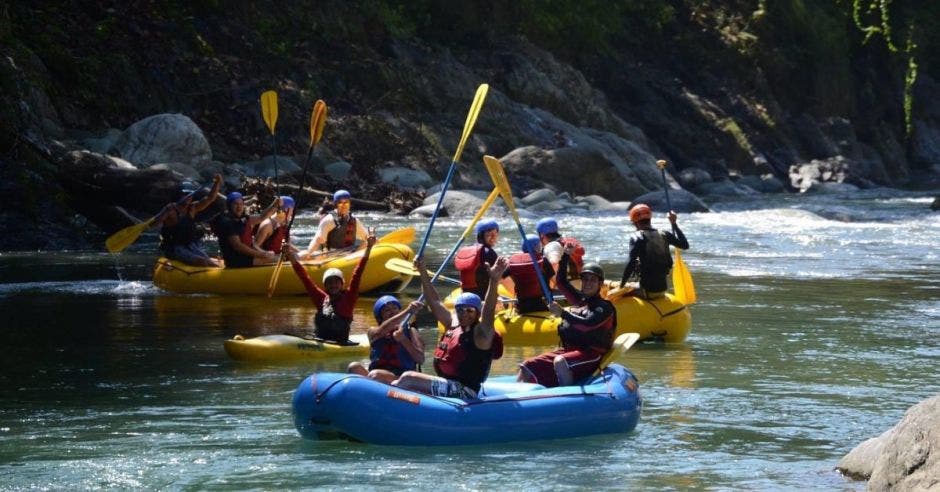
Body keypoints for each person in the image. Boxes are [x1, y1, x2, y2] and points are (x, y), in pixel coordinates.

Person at [392, 256, 506, 400]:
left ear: (477, 313)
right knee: (398, 382)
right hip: (448, 385)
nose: (464, 314)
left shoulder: (482, 333)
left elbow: (488, 311)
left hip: (465, 391)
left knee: (407, 379)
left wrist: (494, 280)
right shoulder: (452, 324)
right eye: (460, 310)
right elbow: (434, 301)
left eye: (469, 310)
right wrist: (422, 271)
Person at [518, 243, 615, 387]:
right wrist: (566, 256)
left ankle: (567, 397)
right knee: (527, 365)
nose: (588, 283)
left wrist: (562, 313)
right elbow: (561, 281)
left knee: (560, 362)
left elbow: (587, 325)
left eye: (593, 280)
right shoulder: (580, 300)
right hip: (570, 352)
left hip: (591, 355)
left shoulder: (604, 307)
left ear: (600, 284)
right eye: (585, 279)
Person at [287, 231, 376, 342]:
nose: (333, 285)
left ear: (341, 284)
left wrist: (369, 247)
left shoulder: (349, 298)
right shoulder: (321, 299)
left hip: (340, 345)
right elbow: (305, 279)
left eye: (336, 282)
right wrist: (291, 257)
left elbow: (358, 272)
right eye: (330, 282)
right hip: (320, 341)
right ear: (325, 285)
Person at [347, 295, 426, 383]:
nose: (392, 312)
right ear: (380, 317)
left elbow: (420, 359)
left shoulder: (411, 331)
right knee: (354, 367)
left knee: (376, 375)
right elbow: (380, 332)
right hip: (376, 374)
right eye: (387, 310)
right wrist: (407, 311)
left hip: (402, 377)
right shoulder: (373, 331)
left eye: (395, 308)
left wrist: (403, 339)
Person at [619, 203, 689, 299]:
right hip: (663, 289)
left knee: (616, 294)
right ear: (650, 218)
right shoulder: (664, 233)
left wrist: (621, 286)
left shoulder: (637, 237)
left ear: (634, 222)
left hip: (646, 291)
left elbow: (630, 263)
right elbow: (685, 245)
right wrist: (674, 224)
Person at [155, 174, 223, 267]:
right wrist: (164, 212)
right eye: (185, 195)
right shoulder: (171, 210)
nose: (188, 198)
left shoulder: (192, 208)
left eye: (190, 195)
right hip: (174, 248)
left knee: (212, 262)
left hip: (191, 245)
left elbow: (210, 198)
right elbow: (156, 223)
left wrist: (217, 183)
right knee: (203, 262)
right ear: (180, 195)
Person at [214, 192, 280, 268]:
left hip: (246, 257)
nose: (239, 207)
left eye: (241, 204)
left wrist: (275, 205)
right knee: (278, 259)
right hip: (236, 261)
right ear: (229, 206)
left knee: (279, 257)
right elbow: (238, 246)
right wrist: (262, 254)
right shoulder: (227, 223)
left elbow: (261, 217)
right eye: (235, 204)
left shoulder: (243, 219)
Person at [302, 189, 368, 258]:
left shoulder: (354, 220)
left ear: (349, 204)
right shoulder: (329, 220)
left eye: (346, 202)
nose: (343, 205)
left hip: (350, 254)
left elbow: (366, 237)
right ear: (336, 204)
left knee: (367, 242)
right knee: (304, 254)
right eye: (340, 203)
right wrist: (308, 254)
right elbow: (317, 240)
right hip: (333, 255)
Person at [506, 234, 554, 313]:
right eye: (539, 245)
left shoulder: (515, 263)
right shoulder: (542, 260)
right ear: (535, 247)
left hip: (522, 305)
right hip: (542, 303)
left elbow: (500, 277)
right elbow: (554, 281)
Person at [454, 218, 500, 298]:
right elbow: (501, 275)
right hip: (483, 297)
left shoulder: (468, 250)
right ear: (481, 236)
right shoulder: (489, 253)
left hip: (465, 294)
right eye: (489, 234)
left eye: (495, 234)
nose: (493, 237)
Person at [536, 217, 585, 283]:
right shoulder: (568, 241)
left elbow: (554, 261)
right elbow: (582, 251)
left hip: (567, 287)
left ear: (542, 235)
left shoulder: (551, 247)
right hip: (581, 282)